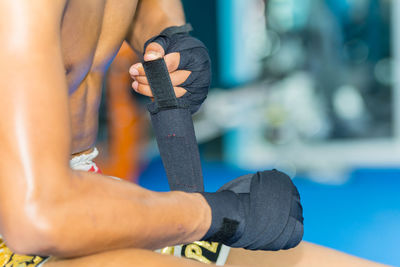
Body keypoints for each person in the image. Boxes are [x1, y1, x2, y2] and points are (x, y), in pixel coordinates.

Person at [0, 1, 387, 266]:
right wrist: (218, 213)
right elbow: (37, 217)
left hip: (81, 194)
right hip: (26, 222)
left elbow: (148, 9)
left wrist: (170, 38)